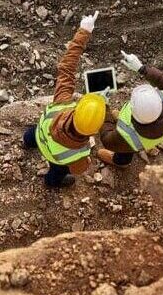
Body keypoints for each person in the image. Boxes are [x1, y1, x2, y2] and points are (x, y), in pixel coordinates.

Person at [23, 11, 106, 188]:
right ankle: (51, 183)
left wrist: (84, 31)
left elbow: (66, 68)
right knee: (57, 173)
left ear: (77, 109)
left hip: (40, 135)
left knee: (31, 135)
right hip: (55, 158)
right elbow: (79, 169)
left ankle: (27, 142)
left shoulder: (62, 104)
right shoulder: (79, 153)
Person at [98, 51, 163, 167]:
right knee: (128, 145)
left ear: (133, 115)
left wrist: (104, 107)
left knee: (125, 151)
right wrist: (142, 68)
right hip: (157, 133)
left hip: (132, 143)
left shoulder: (127, 136)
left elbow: (106, 139)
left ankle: (121, 162)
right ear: (160, 102)